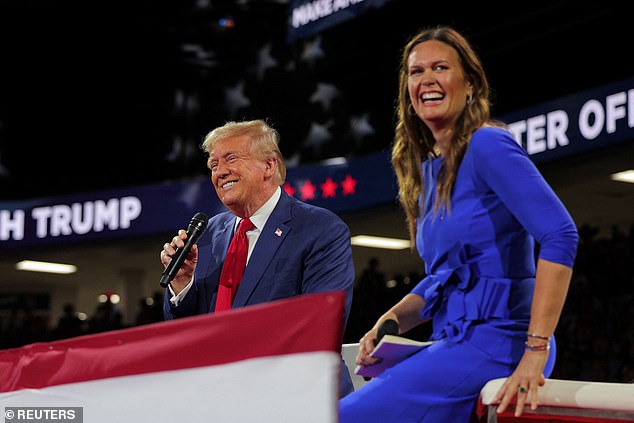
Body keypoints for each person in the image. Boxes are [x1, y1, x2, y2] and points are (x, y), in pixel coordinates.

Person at [339, 26, 579, 421]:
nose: (427, 80)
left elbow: (560, 235)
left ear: (469, 84)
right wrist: (393, 318)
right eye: (416, 72)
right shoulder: (431, 170)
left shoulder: (488, 144)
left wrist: (535, 351)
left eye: (440, 68)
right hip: (455, 341)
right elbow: (445, 277)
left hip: (500, 344)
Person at [159, 119, 355, 397]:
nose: (220, 172)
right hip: (221, 399)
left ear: (269, 166)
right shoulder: (207, 233)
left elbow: (323, 323)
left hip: (298, 396)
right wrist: (182, 284)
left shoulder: (320, 229)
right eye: (213, 165)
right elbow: (184, 334)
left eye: (231, 159)